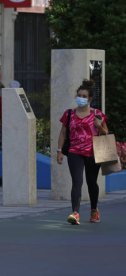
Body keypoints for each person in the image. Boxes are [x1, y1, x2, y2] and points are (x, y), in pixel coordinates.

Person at [57, 79, 108, 225]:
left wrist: (99, 126)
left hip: (93, 152)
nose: (81, 98)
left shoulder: (97, 114)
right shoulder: (69, 114)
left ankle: (94, 210)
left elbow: (106, 133)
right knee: (77, 182)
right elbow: (63, 133)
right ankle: (75, 213)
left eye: (84, 96)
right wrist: (59, 151)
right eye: (79, 95)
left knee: (92, 182)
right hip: (74, 152)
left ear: (90, 98)